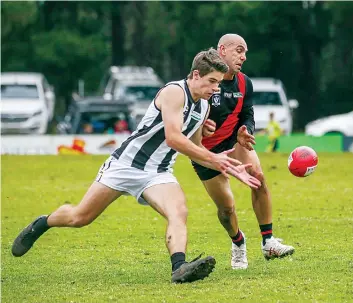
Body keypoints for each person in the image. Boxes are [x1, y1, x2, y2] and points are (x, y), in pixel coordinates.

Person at [12, 48, 261, 283]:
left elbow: (194, 147)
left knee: (179, 212)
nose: (216, 88)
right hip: (126, 165)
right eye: (212, 81)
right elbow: (173, 138)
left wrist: (224, 165)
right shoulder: (175, 92)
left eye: (219, 83)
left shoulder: (204, 106)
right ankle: (43, 223)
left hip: (158, 173)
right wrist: (216, 159)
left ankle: (179, 267)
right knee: (80, 217)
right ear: (196, 75)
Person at [193, 34, 295, 270]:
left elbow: (247, 113)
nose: (243, 56)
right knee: (226, 208)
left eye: (245, 52)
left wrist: (245, 130)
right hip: (204, 151)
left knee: (258, 177)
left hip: (234, 142)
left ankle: (268, 241)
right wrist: (201, 129)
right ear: (222, 50)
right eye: (239, 50)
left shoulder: (244, 83)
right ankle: (238, 242)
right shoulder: (203, 82)